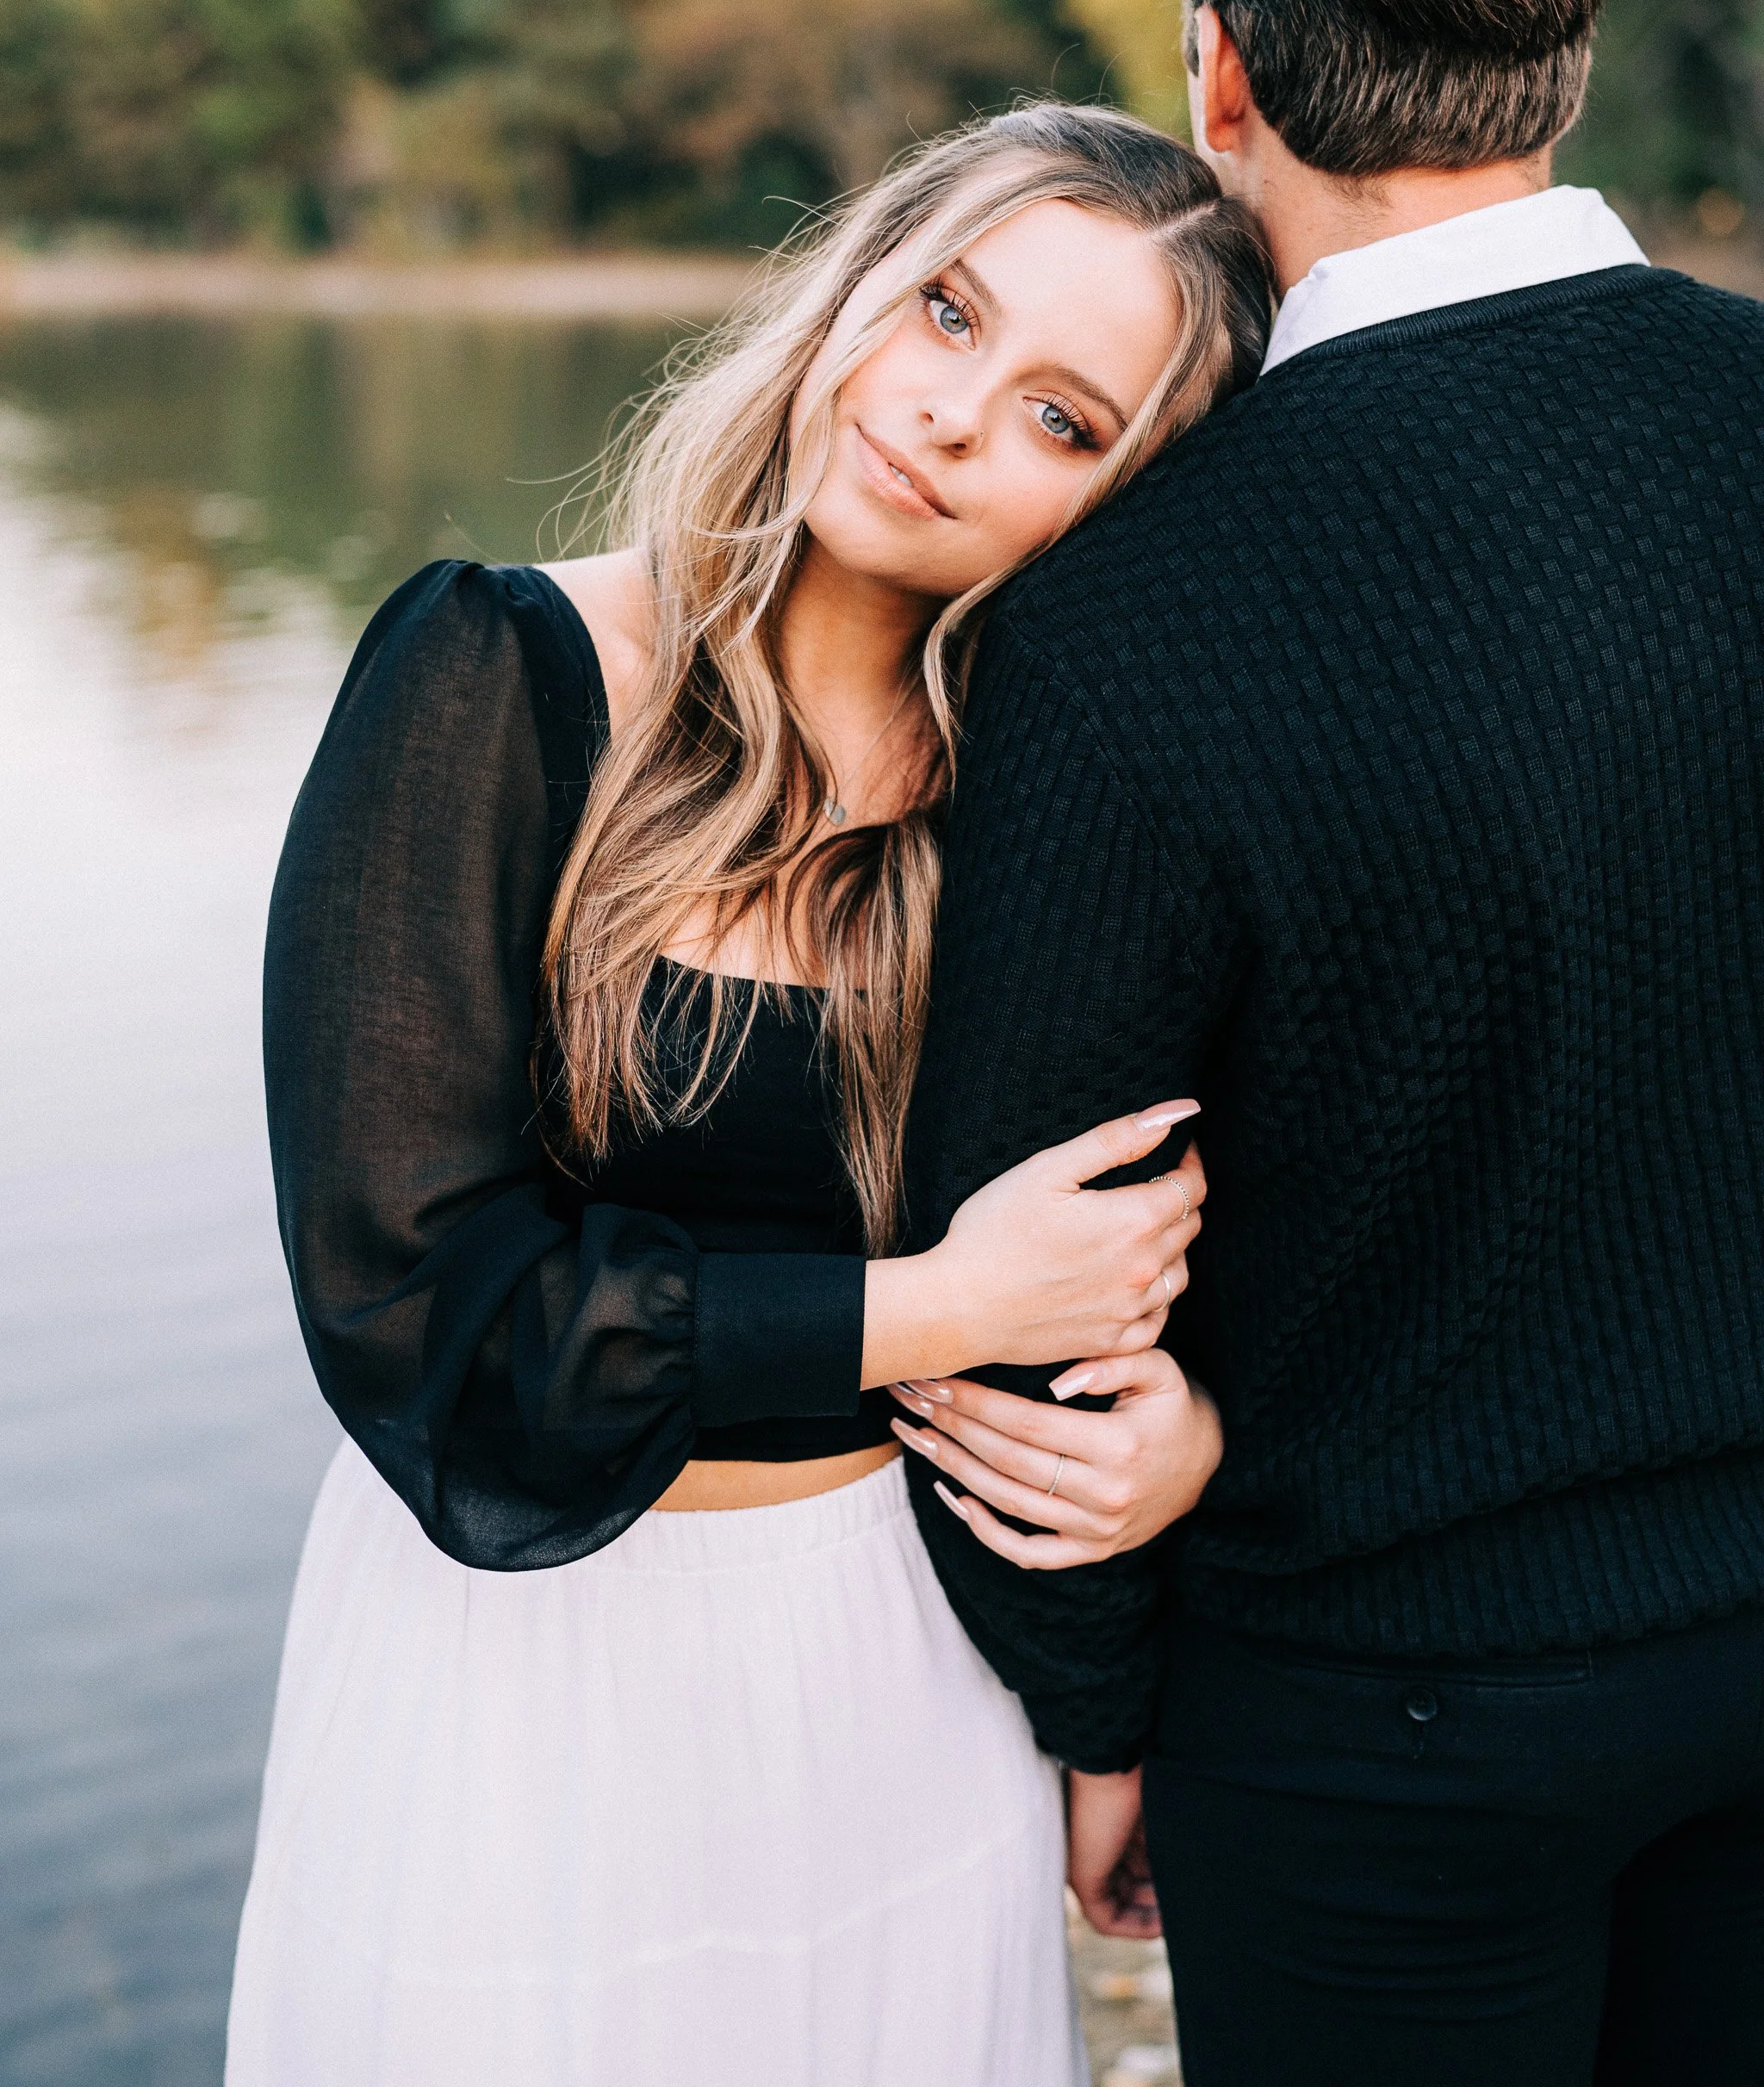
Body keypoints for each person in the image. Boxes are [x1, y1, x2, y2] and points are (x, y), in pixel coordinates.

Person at [892, 0, 1764, 2086]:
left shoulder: (1114, 616)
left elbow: (1036, 1275)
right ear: (1559, 51)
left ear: (1222, 75)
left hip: (1373, 1727)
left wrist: (1096, 1715)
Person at [226, 102, 1270, 2087]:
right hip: (515, 1677)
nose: (951, 416)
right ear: (858, 278)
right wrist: (939, 1311)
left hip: (911, 1671)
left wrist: (1185, 1453)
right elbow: (421, 1313)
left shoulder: (1058, 817)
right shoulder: (499, 675)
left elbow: (1220, 1248)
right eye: (947, 312)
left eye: (1066, 420)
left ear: (1129, 502)